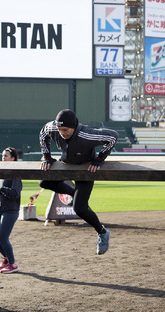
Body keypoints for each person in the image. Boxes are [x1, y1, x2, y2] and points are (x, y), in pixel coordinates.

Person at [38, 109, 118, 255]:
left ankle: (102, 232)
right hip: (66, 165)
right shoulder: (53, 128)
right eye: (60, 129)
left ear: (74, 127)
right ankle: (74, 194)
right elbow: (43, 132)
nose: (62, 133)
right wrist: (46, 156)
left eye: (65, 130)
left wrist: (100, 159)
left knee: (79, 209)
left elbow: (113, 137)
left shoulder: (87, 134)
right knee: (44, 182)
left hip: (85, 169)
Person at [0, 147, 23, 274]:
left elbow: (15, 194)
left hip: (10, 211)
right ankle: (7, 258)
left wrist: (2, 190)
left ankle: (13, 264)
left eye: (6, 156)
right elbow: (4, 191)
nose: (3, 158)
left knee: (3, 238)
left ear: (13, 158)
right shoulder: (3, 172)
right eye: (2, 155)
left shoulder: (15, 173)